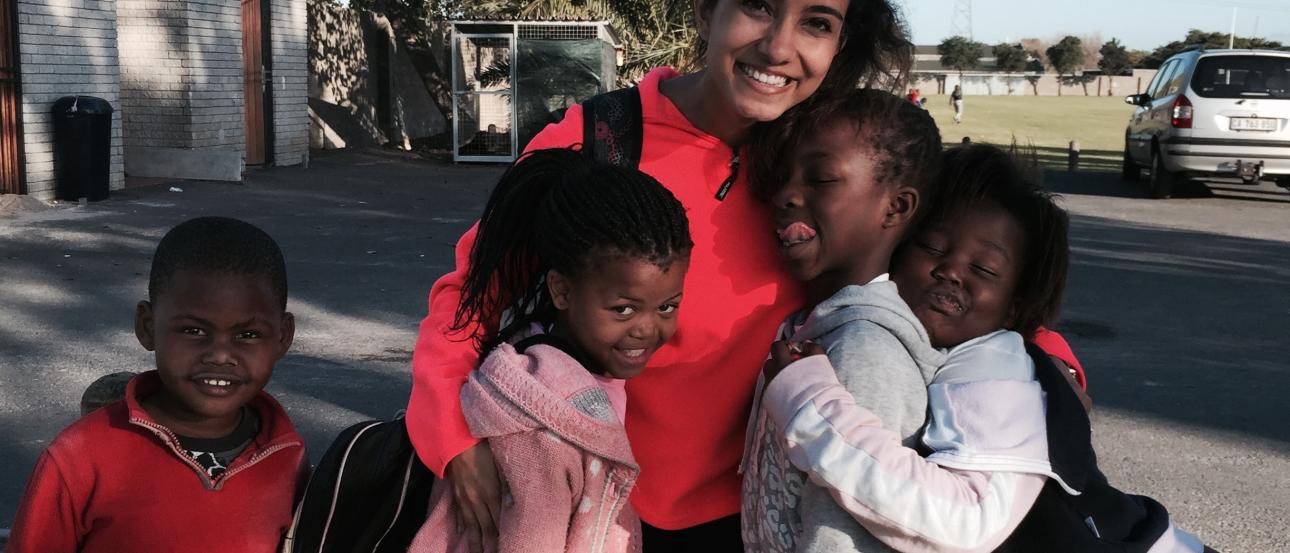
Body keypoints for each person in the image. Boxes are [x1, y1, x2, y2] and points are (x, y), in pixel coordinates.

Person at [406, 1, 1079, 549]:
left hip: (751, 525)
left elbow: (946, 261)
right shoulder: (602, 142)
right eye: (758, 6)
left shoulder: (831, 169)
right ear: (707, 11)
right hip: (598, 518)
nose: (779, 45)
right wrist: (453, 438)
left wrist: (1048, 359)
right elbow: (468, 300)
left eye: (817, 21)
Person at [750, 144, 1208, 552]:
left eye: (985, 270)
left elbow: (966, 521)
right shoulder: (922, 341)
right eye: (932, 247)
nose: (951, 271)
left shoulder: (997, 374)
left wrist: (810, 406)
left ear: (1016, 306)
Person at [407, 149, 693, 553]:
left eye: (667, 306)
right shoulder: (543, 431)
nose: (647, 328)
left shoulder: (565, 364)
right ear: (561, 290)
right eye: (623, 309)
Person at [8, 216, 308, 553]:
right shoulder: (80, 458)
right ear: (147, 326)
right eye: (194, 331)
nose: (221, 355)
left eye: (248, 335)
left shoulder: (288, 457)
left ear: (282, 337)